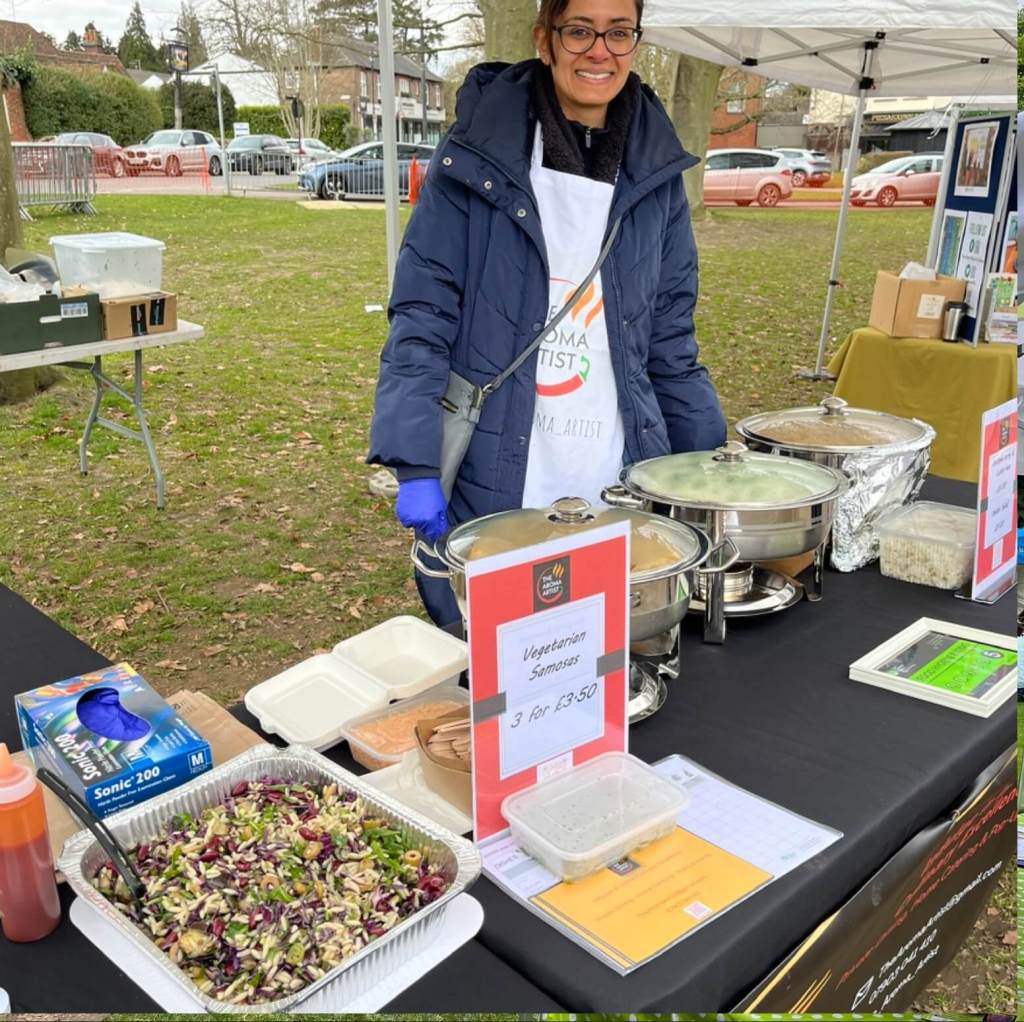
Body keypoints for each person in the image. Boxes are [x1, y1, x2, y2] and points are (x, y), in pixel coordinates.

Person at [368, 0, 727, 627]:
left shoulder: (657, 174)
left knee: (607, 644)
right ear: (545, 38)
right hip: (498, 462)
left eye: (619, 33)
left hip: (616, 469)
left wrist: (706, 460)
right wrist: (416, 461)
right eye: (580, 30)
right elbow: (422, 318)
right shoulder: (475, 158)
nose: (600, 51)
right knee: (503, 658)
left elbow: (670, 335)